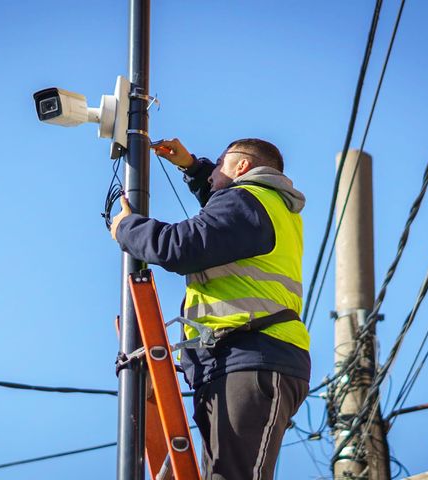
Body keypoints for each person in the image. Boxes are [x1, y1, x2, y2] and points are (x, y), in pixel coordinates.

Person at [111, 137, 310, 480]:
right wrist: (192, 167)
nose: (214, 170)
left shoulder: (249, 201)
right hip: (240, 360)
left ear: (242, 167)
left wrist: (126, 229)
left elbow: (181, 246)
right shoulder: (260, 205)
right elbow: (219, 211)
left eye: (219, 163)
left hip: (252, 358)